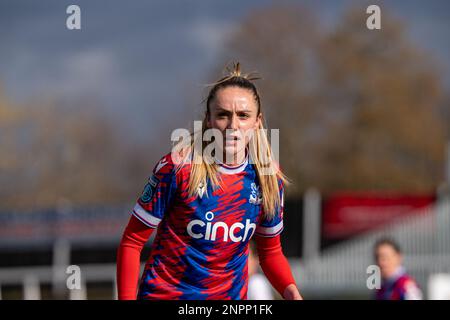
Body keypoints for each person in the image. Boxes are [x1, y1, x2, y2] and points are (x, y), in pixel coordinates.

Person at [116, 62, 302, 300]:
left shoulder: (268, 177)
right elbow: (132, 241)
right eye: (223, 115)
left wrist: (292, 292)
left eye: (243, 116)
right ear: (208, 120)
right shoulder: (178, 167)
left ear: (257, 122)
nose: (233, 126)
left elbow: (270, 252)